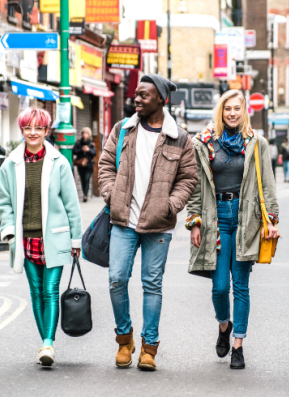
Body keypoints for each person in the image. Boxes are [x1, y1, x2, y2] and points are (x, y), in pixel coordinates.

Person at [98, 74, 197, 371]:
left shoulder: (179, 137)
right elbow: (104, 165)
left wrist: (172, 205)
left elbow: (188, 178)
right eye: (136, 95)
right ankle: (124, 339)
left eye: (143, 95)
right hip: (123, 219)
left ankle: (149, 347)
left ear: (161, 100)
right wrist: (110, 195)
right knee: (117, 279)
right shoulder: (123, 129)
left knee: (152, 285)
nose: (136, 99)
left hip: (159, 223)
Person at [186, 89, 279, 370]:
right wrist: (194, 220)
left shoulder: (256, 142)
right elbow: (195, 185)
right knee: (219, 287)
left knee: (241, 286)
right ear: (221, 111)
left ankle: (238, 345)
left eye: (237, 108)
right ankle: (224, 326)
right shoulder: (203, 142)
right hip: (216, 219)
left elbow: (268, 183)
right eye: (228, 109)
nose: (232, 113)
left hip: (245, 219)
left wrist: (270, 221)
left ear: (244, 110)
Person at [0, 107, 82, 367]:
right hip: (25, 240)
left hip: (54, 238)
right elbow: (4, 203)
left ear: (46, 131)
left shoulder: (59, 163)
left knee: (50, 290)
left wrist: (75, 240)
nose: (32, 133)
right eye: (27, 128)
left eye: (38, 128)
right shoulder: (10, 164)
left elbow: (71, 204)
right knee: (35, 292)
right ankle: (45, 341)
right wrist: (10, 233)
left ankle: (48, 343)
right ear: (22, 130)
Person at [73, 127, 97, 202]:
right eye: (83, 133)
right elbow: (74, 151)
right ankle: (84, 194)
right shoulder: (78, 142)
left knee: (86, 179)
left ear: (89, 134)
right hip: (81, 165)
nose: (84, 135)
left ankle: (85, 195)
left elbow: (94, 153)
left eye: (86, 133)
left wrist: (88, 150)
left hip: (89, 165)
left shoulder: (91, 143)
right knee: (82, 179)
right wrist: (81, 149)